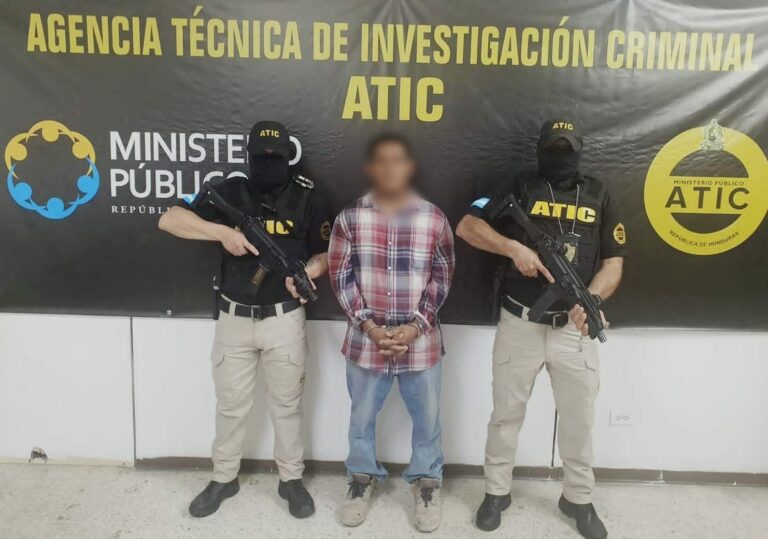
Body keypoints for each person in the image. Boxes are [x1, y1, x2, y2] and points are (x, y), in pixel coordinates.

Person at [456, 119, 627, 539]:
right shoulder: (518, 185)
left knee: (579, 420)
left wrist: (593, 301)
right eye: (554, 148)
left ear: (580, 150)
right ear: (540, 149)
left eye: (567, 149)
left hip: (574, 330)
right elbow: (467, 227)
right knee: (505, 416)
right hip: (520, 323)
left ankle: (578, 499)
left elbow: (613, 262)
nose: (561, 156)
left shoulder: (599, 193)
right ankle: (496, 492)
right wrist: (512, 247)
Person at [158, 120, 331, 520]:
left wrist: (308, 272)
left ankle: (291, 480)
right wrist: (220, 233)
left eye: (276, 156)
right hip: (233, 318)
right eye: (261, 156)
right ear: (249, 156)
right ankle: (224, 478)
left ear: (288, 157)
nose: (268, 162)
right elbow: (169, 219)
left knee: (287, 406)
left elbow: (327, 252)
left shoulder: (307, 196)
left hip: (284, 319)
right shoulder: (230, 191)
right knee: (230, 406)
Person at [327, 133, 455, 532]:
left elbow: (442, 278)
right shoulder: (349, 217)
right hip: (366, 342)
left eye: (397, 160)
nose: (389, 169)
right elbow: (340, 276)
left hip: (421, 343)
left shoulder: (434, 218)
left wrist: (416, 326)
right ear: (370, 168)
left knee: (428, 419)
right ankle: (361, 478)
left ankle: (427, 480)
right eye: (380, 161)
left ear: (409, 167)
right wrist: (368, 325)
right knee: (361, 418)